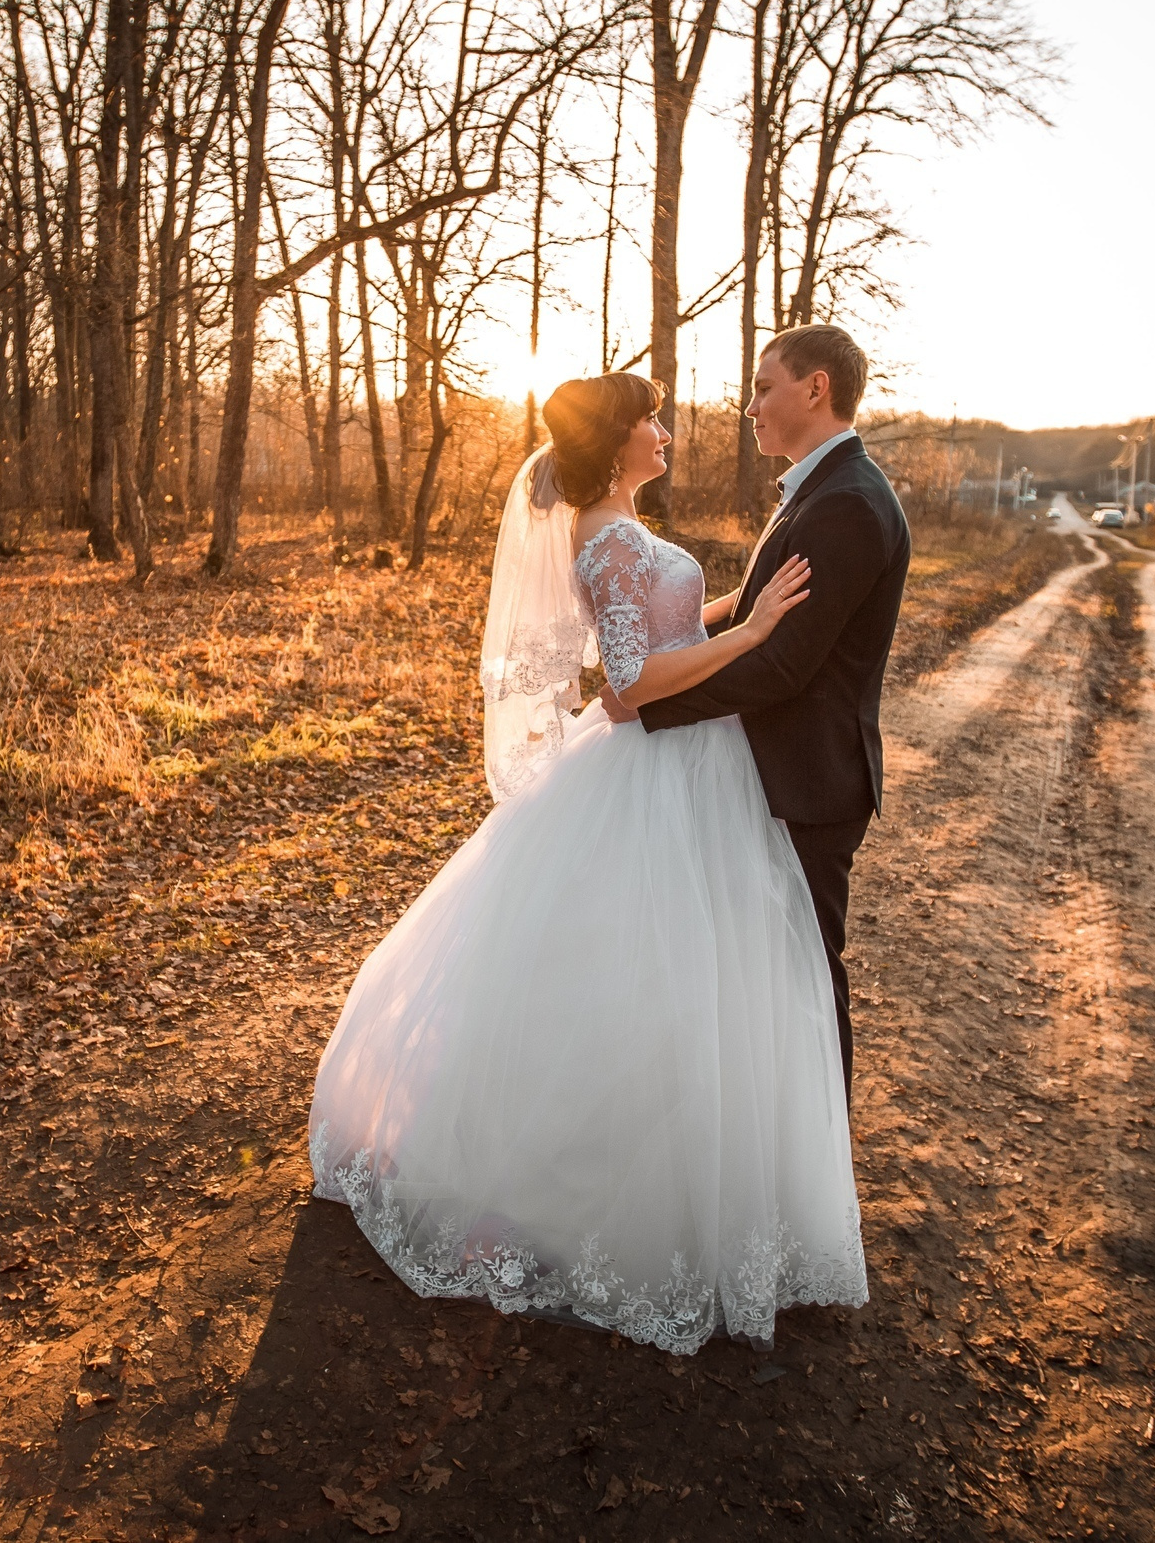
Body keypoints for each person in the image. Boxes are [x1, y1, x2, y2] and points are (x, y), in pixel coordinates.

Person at [306, 370, 868, 1355]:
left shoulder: (622, 531)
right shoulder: (604, 538)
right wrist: (761, 631)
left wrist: (738, 608)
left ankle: (682, 1173)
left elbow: (667, 625)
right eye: (649, 418)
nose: (664, 429)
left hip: (698, 764)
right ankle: (589, 1189)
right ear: (615, 442)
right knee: (637, 974)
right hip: (654, 767)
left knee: (683, 983)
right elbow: (628, 686)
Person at [616, 326, 912, 1107]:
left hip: (810, 782)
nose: (750, 406)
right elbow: (756, 623)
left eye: (763, 386)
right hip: (786, 773)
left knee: (809, 974)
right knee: (775, 974)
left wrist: (649, 703)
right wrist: (650, 667)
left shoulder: (846, 502)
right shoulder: (823, 490)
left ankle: (818, 1169)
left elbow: (783, 663)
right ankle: (781, 1146)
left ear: (815, 389)